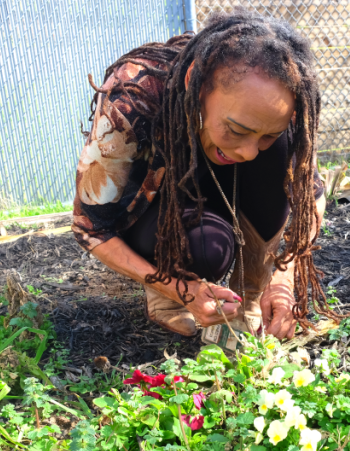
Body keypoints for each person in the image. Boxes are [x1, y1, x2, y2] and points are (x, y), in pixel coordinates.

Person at [71, 10, 333, 342]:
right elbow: (90, 228)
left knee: (281, 148)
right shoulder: (135, 97)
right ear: (196, 81)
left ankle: (250, 295)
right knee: (206, 250)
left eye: (263, 137)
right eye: (238, 129)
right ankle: (166, 290)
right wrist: (181, 289)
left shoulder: (282, 104)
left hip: (229, 191)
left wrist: (283, 279)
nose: (250, 152)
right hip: (160, 211)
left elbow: (312, 195)